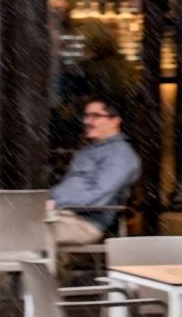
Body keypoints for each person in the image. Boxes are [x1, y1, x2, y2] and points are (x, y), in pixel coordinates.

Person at [48, 98, 141, 248]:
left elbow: (99, 196)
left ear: (115, 121)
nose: (88, 121)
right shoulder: (87, 151)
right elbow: (70, 188)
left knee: (18, 231)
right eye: (86, 116)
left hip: (84, 224)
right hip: (59, 215)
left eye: (96, 116)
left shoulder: (120, 154)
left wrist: (55, 203)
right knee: (8, 224)